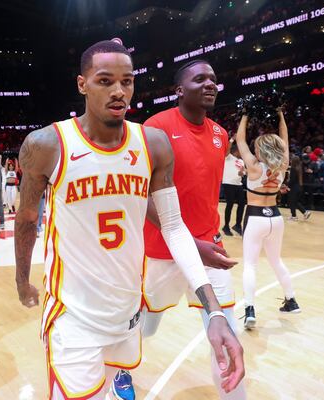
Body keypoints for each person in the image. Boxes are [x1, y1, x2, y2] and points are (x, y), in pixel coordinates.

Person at [14, 40, 244, 400]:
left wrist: (214, 311)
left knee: (108, 390)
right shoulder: (46, 144)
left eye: (128, 81)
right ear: (82, 84)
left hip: (126, 312)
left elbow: (172, 225)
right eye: (105, 81)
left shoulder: (153, 143)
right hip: (72, 315)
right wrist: (22, 279)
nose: (119, 91)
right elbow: (27, 219)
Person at [116, 59, 245, 400]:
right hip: (160, 251)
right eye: (199, 78)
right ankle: (119, 368)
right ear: (178, 91)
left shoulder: (220, 134)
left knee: (225, 330)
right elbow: (138, 195)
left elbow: (206, 195)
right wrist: (187, 240)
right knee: (148, 326)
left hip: (209, 249)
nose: (210, 84)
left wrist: (208, 237)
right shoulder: (155, 130)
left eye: (214, 79)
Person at [236, 108, 301, 330]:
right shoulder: (283, 164)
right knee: (276, 261)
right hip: (275, 217)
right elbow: (285, 139)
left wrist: (245, 115)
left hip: (255, 217)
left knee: (250, 266)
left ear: (260, 149)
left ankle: (250, 310)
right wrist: (282, 115)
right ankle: (291, 300)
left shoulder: (253, 167)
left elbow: (239, 139)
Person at [223, 143, 247, 236]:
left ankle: (237, 225)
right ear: (236, 150)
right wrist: (232, 140)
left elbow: (242, 174)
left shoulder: (241, 161)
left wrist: (242, 173)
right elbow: (227, 149)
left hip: (238, 184)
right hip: (228, 183)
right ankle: (226, 226)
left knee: (242, 204)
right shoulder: (228, 157)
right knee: (230, 204)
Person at [286, 155, 312, 221]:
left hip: (293, 188)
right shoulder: (300, 168)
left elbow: (292, 180)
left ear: (293, 161)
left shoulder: (293, 168)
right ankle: (305, 212)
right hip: (299, 187)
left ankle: (294, 216)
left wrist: (287, 185)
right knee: (295, 202)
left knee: (292, 202)